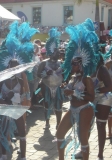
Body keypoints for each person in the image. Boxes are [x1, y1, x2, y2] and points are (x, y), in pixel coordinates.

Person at [56, 22, 97, 160]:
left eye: (74, 63)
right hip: (72, 109)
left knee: (83, 139)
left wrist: (73, 93)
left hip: (85, 109)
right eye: (71, 63)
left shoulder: (87, 79)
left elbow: (91, 97)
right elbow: (70, 94)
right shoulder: (73, 78)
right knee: (59, 134)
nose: (71, 65)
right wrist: (65, 88)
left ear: (81, 64)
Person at [0, 59, 27, 160]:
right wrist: (1, 100)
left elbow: (23, 96)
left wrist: (14, 97)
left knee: (22, 132)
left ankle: (23, 156)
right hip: (5, 110)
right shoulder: (1, 81)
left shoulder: (21, 81)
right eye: (13, 67)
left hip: (17, 109)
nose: (14, 69)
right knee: (4, 131)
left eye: (17, 67)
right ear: (8, 67)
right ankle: (4, 155)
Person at [37, 28, 64, 129]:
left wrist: (64, 76)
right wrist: (45, 73)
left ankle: (58, 123)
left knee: (59, 105)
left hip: (58, 87)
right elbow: (38, 74)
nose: (59, 54)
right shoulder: (44, 63)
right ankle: (47, 122)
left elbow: (66, 75)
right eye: (56, 52)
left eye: (58, 53)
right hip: (47, 86)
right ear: (51, 53)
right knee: (47, 104)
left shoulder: (61, 63)